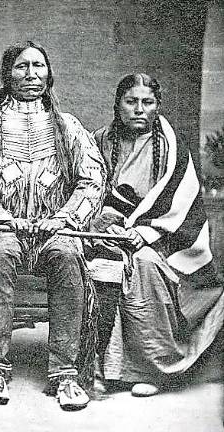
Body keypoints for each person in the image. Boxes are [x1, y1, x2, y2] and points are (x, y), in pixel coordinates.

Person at [0, 41, 106, 410]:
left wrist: (63, 218)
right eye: (21, 67)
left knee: (68, 256)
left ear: (48, 72)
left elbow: (92, 179)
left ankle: (65, 373)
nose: (31, 74)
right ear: (8, 74)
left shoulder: (68, 126)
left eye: (38, 66)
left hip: (53, 229)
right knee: (0, 253)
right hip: (0, 229)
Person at [87, 73, 224, 397]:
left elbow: (180, 205)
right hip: (107, 232)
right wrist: (104, 223)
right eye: (130, 101)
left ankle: (150, 369)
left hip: (164, 240)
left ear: (157, 105)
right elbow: (88, 190)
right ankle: (99, 369)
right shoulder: (100, 140)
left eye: (147, 102)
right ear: (117, 105)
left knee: (144, 264)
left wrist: (144, 233)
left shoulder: (170, 146)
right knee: (101, 264)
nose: (139, 109)